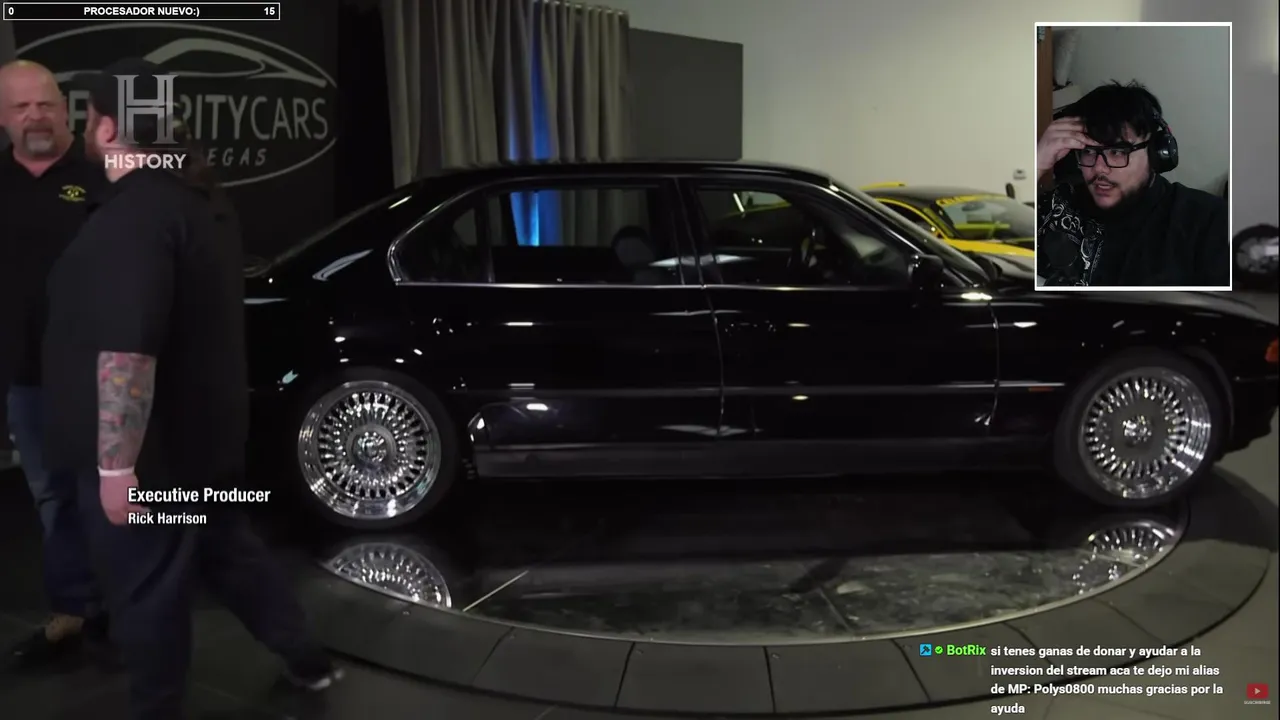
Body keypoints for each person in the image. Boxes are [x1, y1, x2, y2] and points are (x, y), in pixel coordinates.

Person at [39, 58, 341, 719]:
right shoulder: (199, 200)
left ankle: (156, 707)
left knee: (145, 590)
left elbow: (128, 350)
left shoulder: (136, 217)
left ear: (109, 127)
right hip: (203, 447)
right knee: (226, 552)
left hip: (152, 458)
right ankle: (309, 662)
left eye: (88, 116)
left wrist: (117, 468)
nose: (84, 128)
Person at [0, 59, 107, 667]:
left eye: (45, 103)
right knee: (52, 499)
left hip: (101, 375)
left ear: (63, 107)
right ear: (3, 118)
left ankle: (128, 609)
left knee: (112, 496)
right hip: (27, 380)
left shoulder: (101, 177)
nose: (36, 116)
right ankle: (73, 608)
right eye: (21, 107)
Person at [1035, 80, 1229, 287]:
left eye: (1118, 151)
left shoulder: (1208, 222)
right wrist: (1036, 165)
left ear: (1155, 153)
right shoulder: (1059, 203)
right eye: (1089, 151)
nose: (1099, 168)